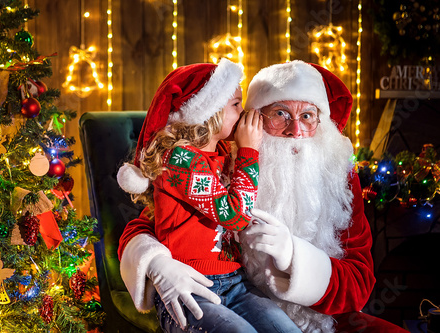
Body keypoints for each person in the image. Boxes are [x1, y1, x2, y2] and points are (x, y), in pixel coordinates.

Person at [117, 60, 408, 333]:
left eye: (307, 116)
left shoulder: (337, 177)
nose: (295, 130)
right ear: (254, 119)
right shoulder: (229, 159)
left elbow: (359, 279)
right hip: (223, 291)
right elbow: (154, 220)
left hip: (322, 316)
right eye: (280, 114)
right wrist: (156, 263)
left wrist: (296, 258)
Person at [117, 58, 301, 333]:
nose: (245, 112)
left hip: (235, 283)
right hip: (189, 289)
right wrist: (249, 151)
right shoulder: (178, 159)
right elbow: (236, 217)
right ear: (209, 112)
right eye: (236, 105)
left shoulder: (223, 153)